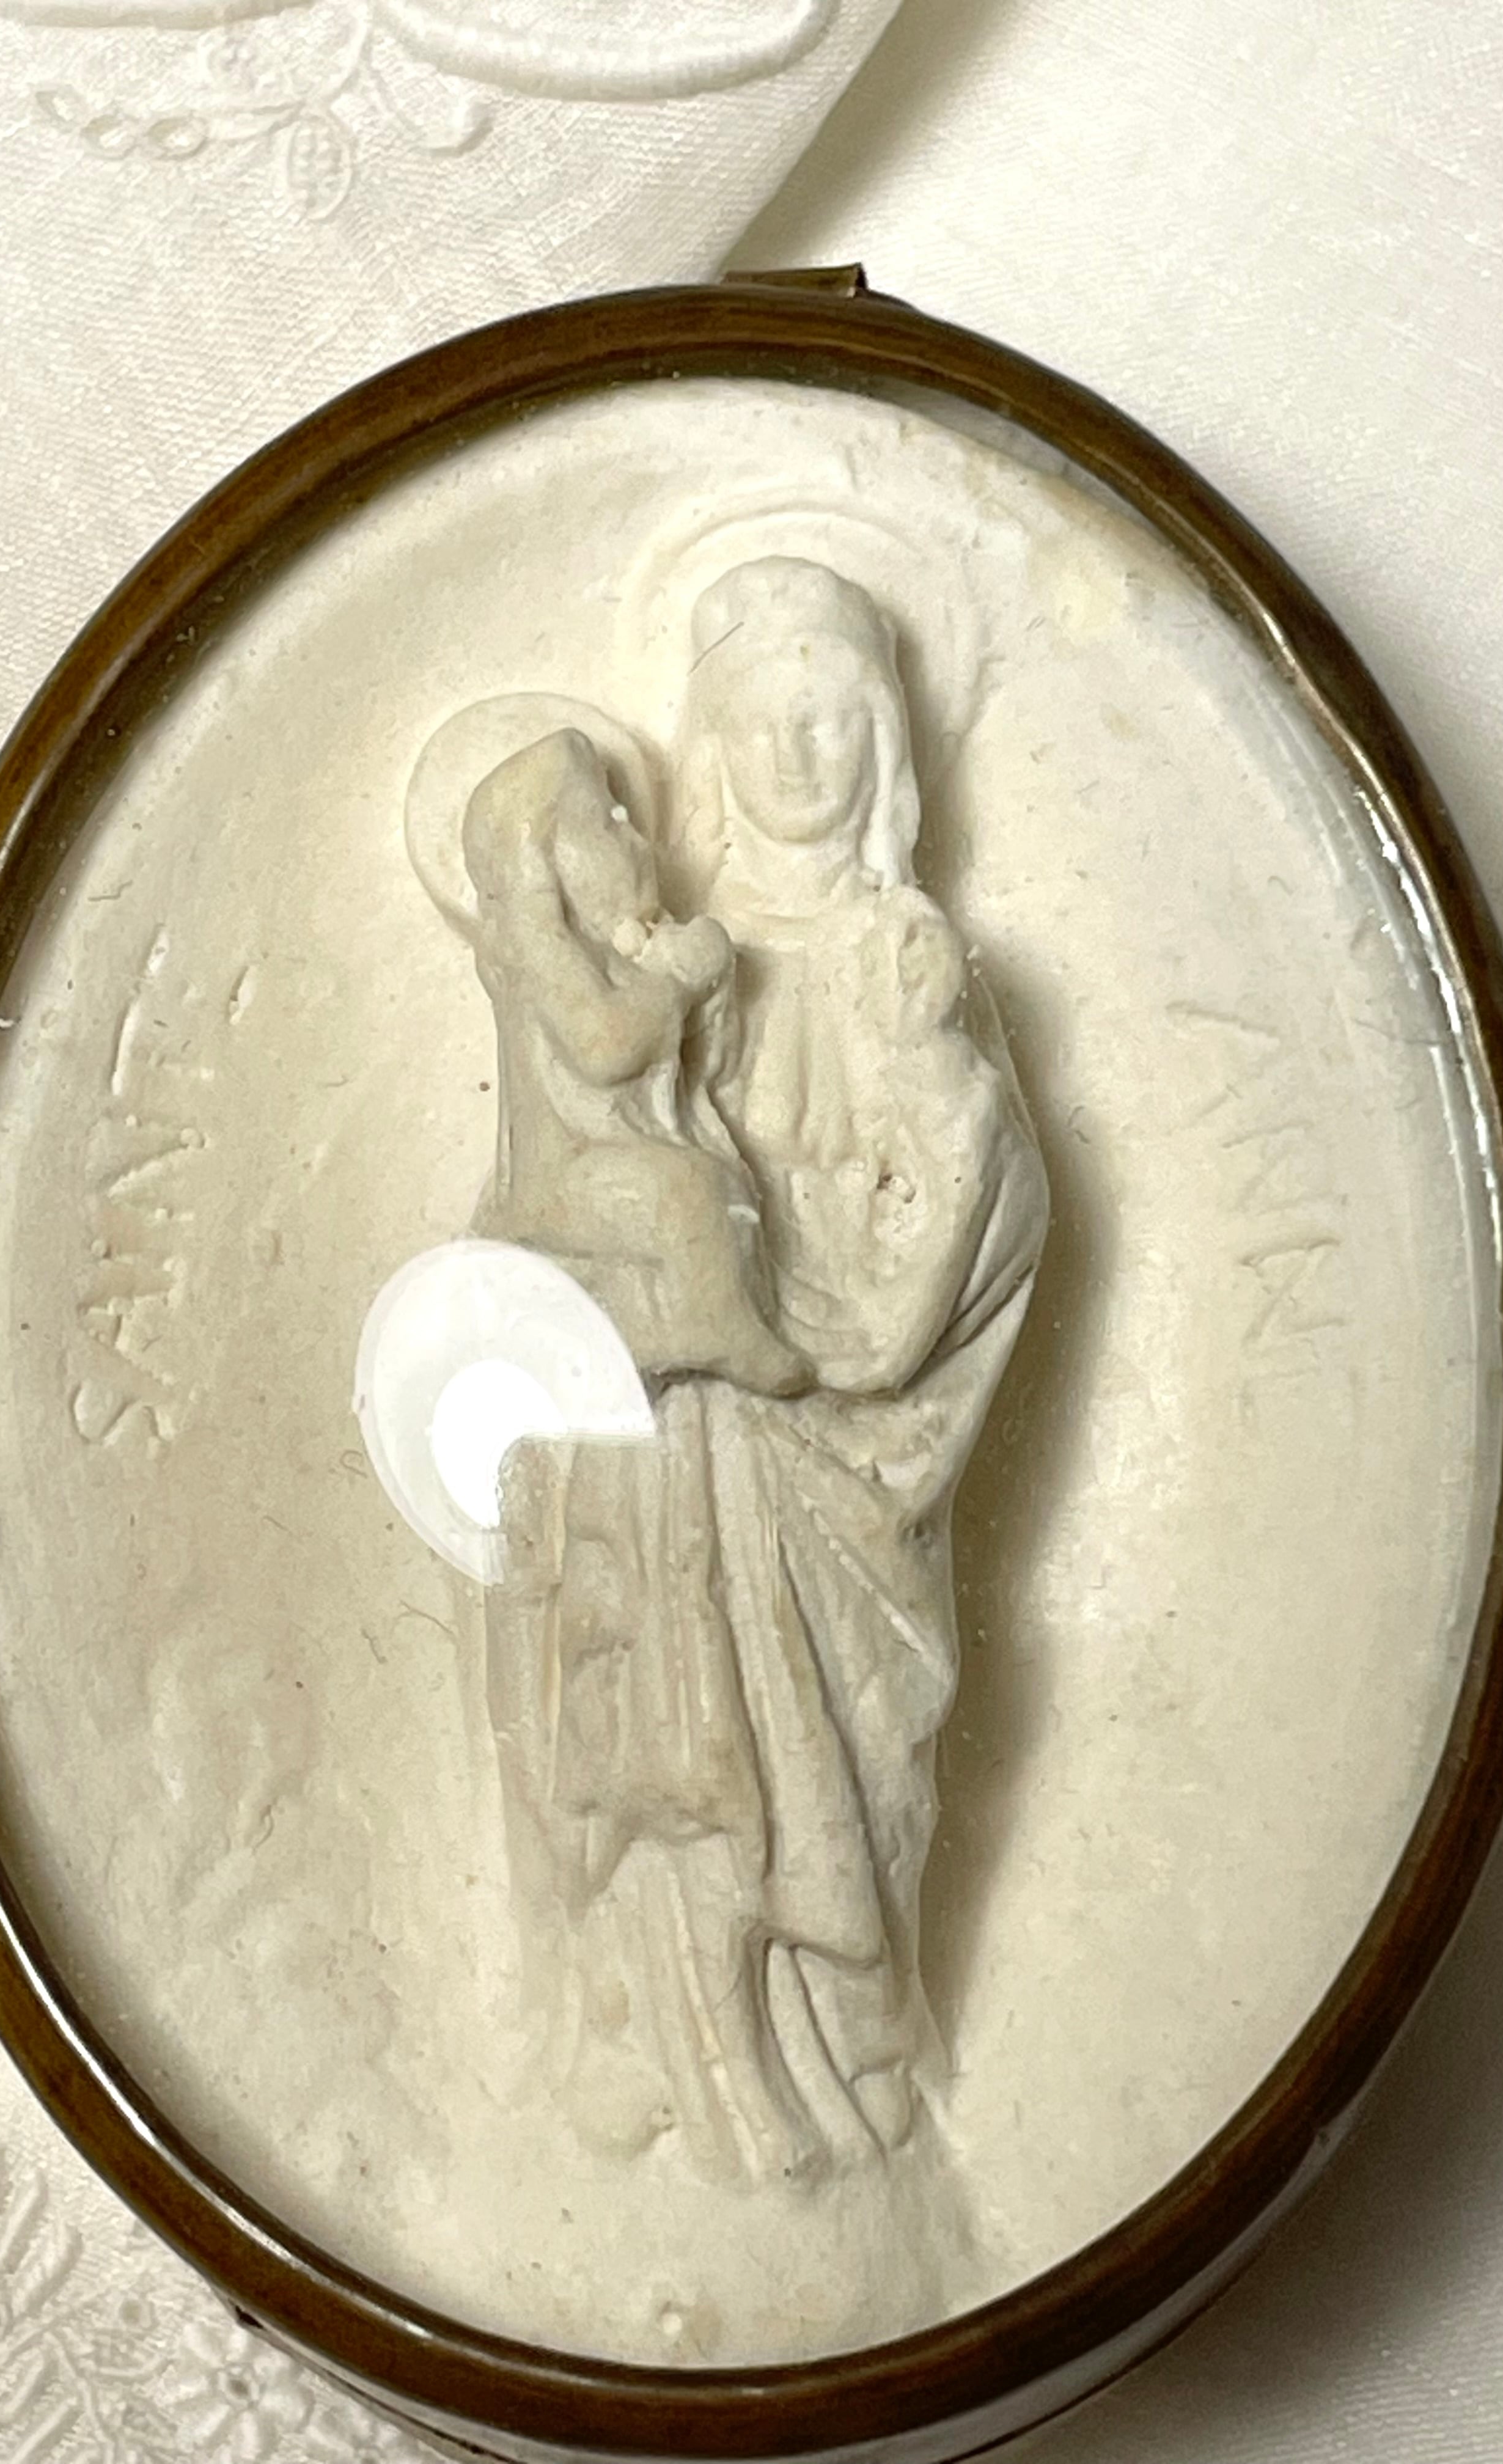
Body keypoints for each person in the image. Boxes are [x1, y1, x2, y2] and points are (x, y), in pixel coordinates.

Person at [481, 560, 1050, 2187]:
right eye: (762, 723)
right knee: (682, 1758)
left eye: (830, 720)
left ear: (883, 744)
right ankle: (667, 2074)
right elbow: (575, 1170)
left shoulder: (908, 957)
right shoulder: (677, 960)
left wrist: (874, 1303)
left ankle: (851, 2066)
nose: (798, 755)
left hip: (848, 1444)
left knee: (856, 1760)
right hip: (681, 1447)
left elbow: (999, 1189)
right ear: (712, 748)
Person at [460, 724, 807, 1398]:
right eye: (605, 821)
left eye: (625, 814)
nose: (632, 833)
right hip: (560, 1180)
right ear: (542, 865)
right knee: (690, 1194)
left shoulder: (616, 949)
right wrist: (678, 983)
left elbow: (706, 1072)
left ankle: (663, 1339)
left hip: (610, 1159)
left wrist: (710, 986)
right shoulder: (535, 950)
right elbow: (605, 1047)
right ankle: (711, 1332)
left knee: (712, 1190)